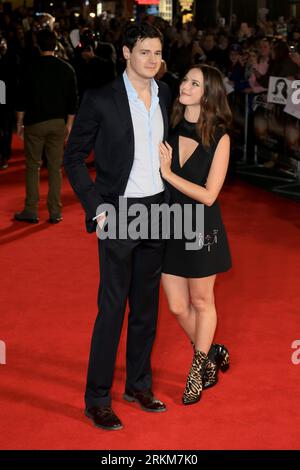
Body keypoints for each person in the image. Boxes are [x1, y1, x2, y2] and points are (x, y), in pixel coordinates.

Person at [64, 22, 171, 431]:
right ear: (126, 52)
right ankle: (97, 398)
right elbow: (74, 157)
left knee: (146, 308)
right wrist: (96, 206)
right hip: (118, 211)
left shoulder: (165, 95)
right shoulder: (101, 99)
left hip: (157, 211)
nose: (152, 60)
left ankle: (138, 385)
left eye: (158, 53)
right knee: (112, 309)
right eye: (145, 52)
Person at [159, 64, 231, 405]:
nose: (185, 85)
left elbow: (209, 195)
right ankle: (212, 350)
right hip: (171, 224)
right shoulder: (169, 125)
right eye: (185, 79)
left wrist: (168, 174)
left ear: (209, 93)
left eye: (194, 83)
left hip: (202, 228)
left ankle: (197, 371)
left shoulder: (220, 137)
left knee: (202, 301)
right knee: (175, 305)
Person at [14, 29, 78, 224]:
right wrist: (69, 125)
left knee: (33, 167)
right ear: (56, 45)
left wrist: (19, 123)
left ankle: (31, 209)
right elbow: (72, 101)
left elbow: (21, 99)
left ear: (38, 45)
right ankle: (55, 211)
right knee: (55, 168)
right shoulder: (67, 68)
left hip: (35, 122)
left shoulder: (29, 67)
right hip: (58, 122)